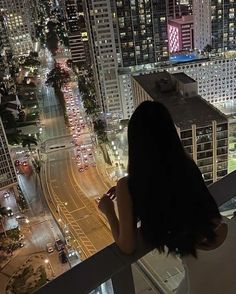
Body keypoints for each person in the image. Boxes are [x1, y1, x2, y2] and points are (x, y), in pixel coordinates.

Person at [98, 100, 236, 293]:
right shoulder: (187, 166)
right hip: (230, 238)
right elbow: (172, 189)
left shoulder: (127, 186)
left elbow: (127, 246)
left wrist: (108, 210)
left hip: (204, 266)